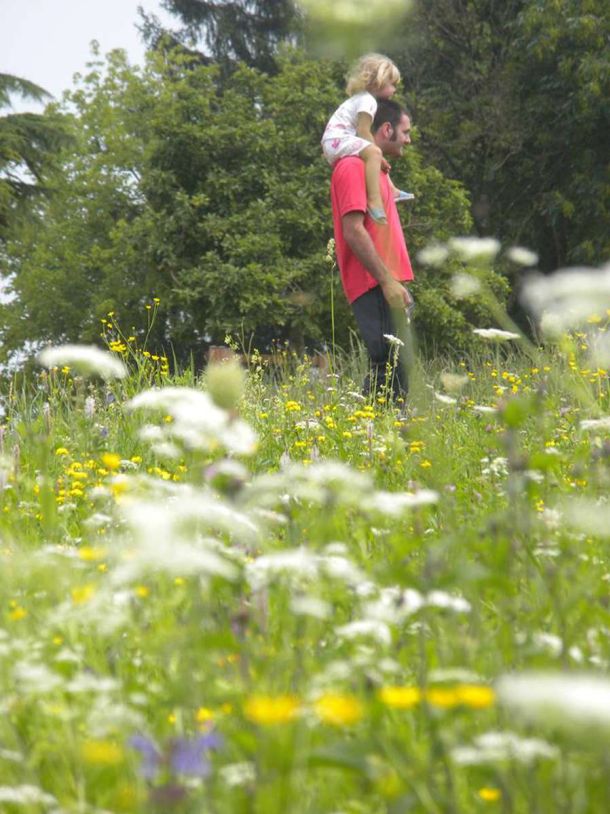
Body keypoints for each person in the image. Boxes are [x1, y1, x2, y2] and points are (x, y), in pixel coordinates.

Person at [329, 98, 414, 401]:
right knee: (387, 364)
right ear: (386, 128)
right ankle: (374, 438)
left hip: (385, 281)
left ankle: (384, 437)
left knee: (396, 367)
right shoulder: (353, 166)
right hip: (373, 282)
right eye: (405, 131)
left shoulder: (373, 168)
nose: (408, 139)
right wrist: (387, 281)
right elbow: (353, 230)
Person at [322, 53, 410, 225]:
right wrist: (378, 155)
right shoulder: (368, 101)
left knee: (375, 154)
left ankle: (392, 190)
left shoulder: (361, 98)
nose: (394, 90)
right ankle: (374, 201)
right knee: (375, 153)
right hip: (337, 139)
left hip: (333, 141)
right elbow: (363, 130)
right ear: (379, 82)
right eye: (392, 84)